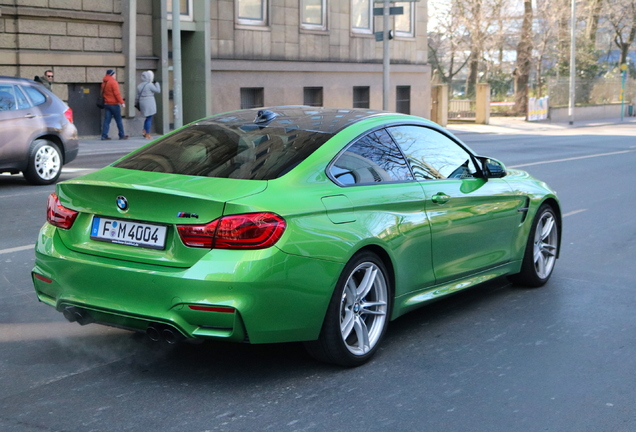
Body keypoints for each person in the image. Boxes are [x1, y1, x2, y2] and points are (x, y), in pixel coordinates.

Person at [101, 69, 128, 140]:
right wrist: (122, 102)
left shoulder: (104, 82)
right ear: (112, 74)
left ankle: (104, 135)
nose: (115, 75)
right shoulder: (113, 82)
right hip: (114, 104)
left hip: (107, 104)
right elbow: (117, 94)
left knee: (107, 121)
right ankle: (121, 135)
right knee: (118, 120)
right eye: (114, 74)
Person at [135, 70, 161, 139]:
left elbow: (137, 96)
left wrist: (136, 103)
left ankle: (144, 131)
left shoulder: (139, 86)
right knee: (149, 118)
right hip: (149, 102)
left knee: (147, 117)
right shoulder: (149, 85)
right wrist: (156, 83)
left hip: (142, 102)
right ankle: (147, 134)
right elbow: (158, 90)